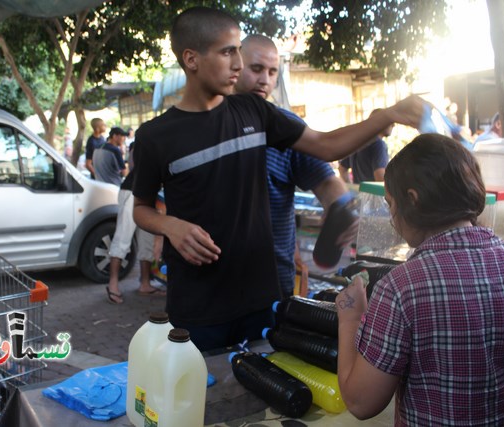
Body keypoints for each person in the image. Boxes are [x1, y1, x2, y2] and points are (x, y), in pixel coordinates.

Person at [132, 6, 424, 352]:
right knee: (200, 395)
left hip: (262, 296)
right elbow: (141, 208)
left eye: (240, 51)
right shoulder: (155, 136)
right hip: (198, 304)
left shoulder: (255, 112)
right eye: (228, 52)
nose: (238, 64)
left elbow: (326, 145)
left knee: (266, 393)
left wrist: (386, 116)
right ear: (191, 59)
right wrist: (171, 226)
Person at [335, 134, 504, 425]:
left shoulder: (402, 288)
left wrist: (350, 318)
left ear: (412, 199)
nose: (393, 218)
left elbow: (361, 402)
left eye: (391, 205)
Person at [234, 34, 351, 297]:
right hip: (213, 282)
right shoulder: (206, 123)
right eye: (256, 69)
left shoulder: (287, 127)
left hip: (272, 280)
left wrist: (339, 208)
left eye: (272, 71)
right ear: (234, 64)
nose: (265, 79)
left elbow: (327, 182)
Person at [106, 142, 165, 304]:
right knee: (123, 237)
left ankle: (145, 284)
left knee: (147, 240)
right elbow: (133, 165)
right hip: (132, 191)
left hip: (147, 193)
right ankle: (113, 285)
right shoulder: (149, 139)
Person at [338, 109, 392, 184]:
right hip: (374, 194)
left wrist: (352, 186)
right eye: (390, 121)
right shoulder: (378, 144)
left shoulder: (358, 142)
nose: (393, 125)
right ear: (380, 122)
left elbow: (342, 168)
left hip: (359, 193)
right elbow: (380, 177)